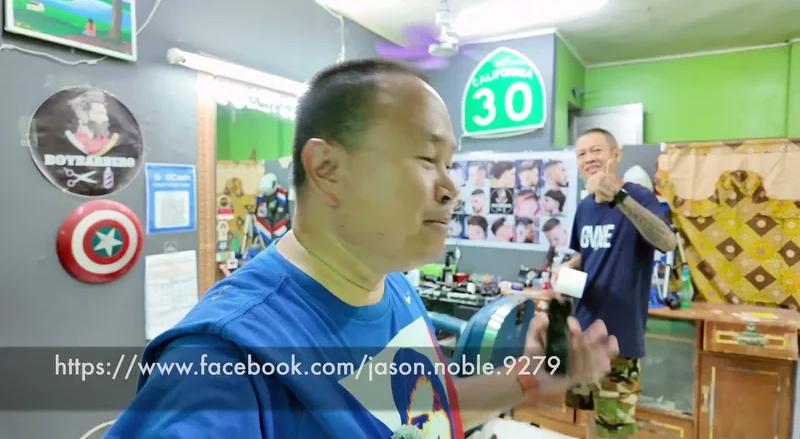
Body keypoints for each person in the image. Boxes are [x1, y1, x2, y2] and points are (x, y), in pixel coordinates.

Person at [107, 59, 618, 439]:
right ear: (328, 169)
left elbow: (413, 417)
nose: (451, 188)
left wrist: (527, 378)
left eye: (449, 163)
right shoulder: (222, 362)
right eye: (426, 159)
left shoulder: (389, 287)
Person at [552, 128, 677, 439]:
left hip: (618, 338)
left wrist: (619, 197)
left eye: (596, 150)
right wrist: (568, 266)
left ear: (616, 154)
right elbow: (586, 253)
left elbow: (667, 242)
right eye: (582, 154)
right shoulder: (585, 208)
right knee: (591, 416)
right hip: (583, 333)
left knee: (616, 429)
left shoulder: (638, 196)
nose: (589, 159)